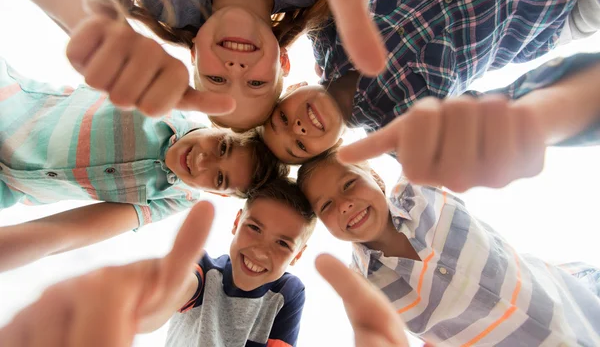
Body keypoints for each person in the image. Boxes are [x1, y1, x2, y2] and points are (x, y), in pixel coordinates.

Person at [261, 0, 600, 164]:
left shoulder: (327, 30)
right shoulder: (397, 130)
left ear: (292, 88)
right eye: (299, 146)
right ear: (329, 151)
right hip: (558, 3)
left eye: (283, 119)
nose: (299, 128)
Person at [0, 57, 287, 272]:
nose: (202, 161)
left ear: (218, 194)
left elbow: (66, 233)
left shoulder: (174, 199)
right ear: (219, 125)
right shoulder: (170, 102)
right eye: (222, 146)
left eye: (220, 179)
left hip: (8, 186)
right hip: (10, 105)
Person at [0, 200, 415, 347]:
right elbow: (172, 296)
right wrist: (145, 302)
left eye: (283, 244)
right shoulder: (203, 267)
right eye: (254, 228)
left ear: (300, 254)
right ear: (236, 223)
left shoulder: (288, 292)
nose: (259, 250)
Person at [297, 149, 600, 346]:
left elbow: (424, 132)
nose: (344, 204)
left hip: (576, 303)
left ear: (376, 178)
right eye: (326, 206)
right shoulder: (362, 287)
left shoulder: (417, 192)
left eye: (349, 184)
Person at [8, 0, 331, 129]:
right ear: (284, 61)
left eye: (216, 78)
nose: (235, 68)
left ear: (194, 57)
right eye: (256, 84)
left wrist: (97, 23)